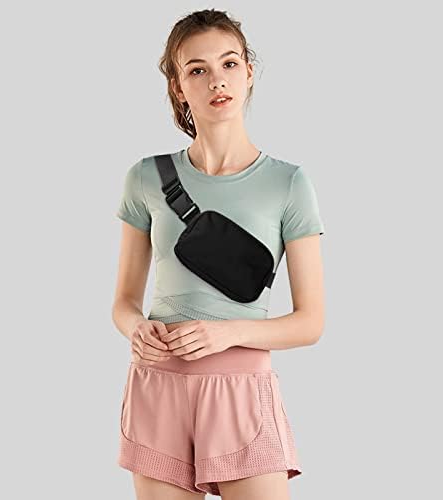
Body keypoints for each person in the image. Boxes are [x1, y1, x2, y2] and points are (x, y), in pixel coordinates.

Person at [111, 8, 325, 500]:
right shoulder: (145, 177)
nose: (217, 81)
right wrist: (136, 328)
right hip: (157, 387)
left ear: (248, 72)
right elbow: (123, 302)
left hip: (240, 392)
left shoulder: (289, 183)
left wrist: (227, 333)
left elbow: (311, 322)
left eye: (229, 64)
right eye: (197, 69)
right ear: (178, 87)